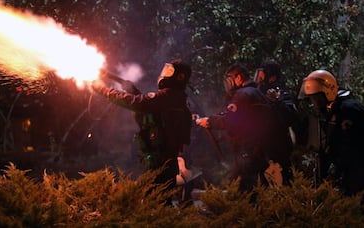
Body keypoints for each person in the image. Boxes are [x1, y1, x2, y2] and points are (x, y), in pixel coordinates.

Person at [91, 59, 192, 206]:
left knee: (156, 206)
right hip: (165, 163)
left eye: (170, 71)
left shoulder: (169, 96)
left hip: (160, 164)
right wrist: (133, 91)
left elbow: (138, 103)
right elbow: (150, 107)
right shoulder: (175, 97)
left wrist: (104, 90)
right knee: (161, 204)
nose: (165, 74)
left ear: (180, 76)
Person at [196, 63, 279, 191]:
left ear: (239, 78)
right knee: (258, 186)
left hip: (246, 150)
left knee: (242, 187)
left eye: (230, 78)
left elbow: (231, 121)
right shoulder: (257, 93)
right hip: (260, 150)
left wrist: (209, 122)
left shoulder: (242, 95)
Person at [298, 69, 364, 197]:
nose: (315, 103)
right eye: (313, 99)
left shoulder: (349, 109)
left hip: (357, 171)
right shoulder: (332, 111)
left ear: (328, 92)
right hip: (347, 171)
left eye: (317, 98)